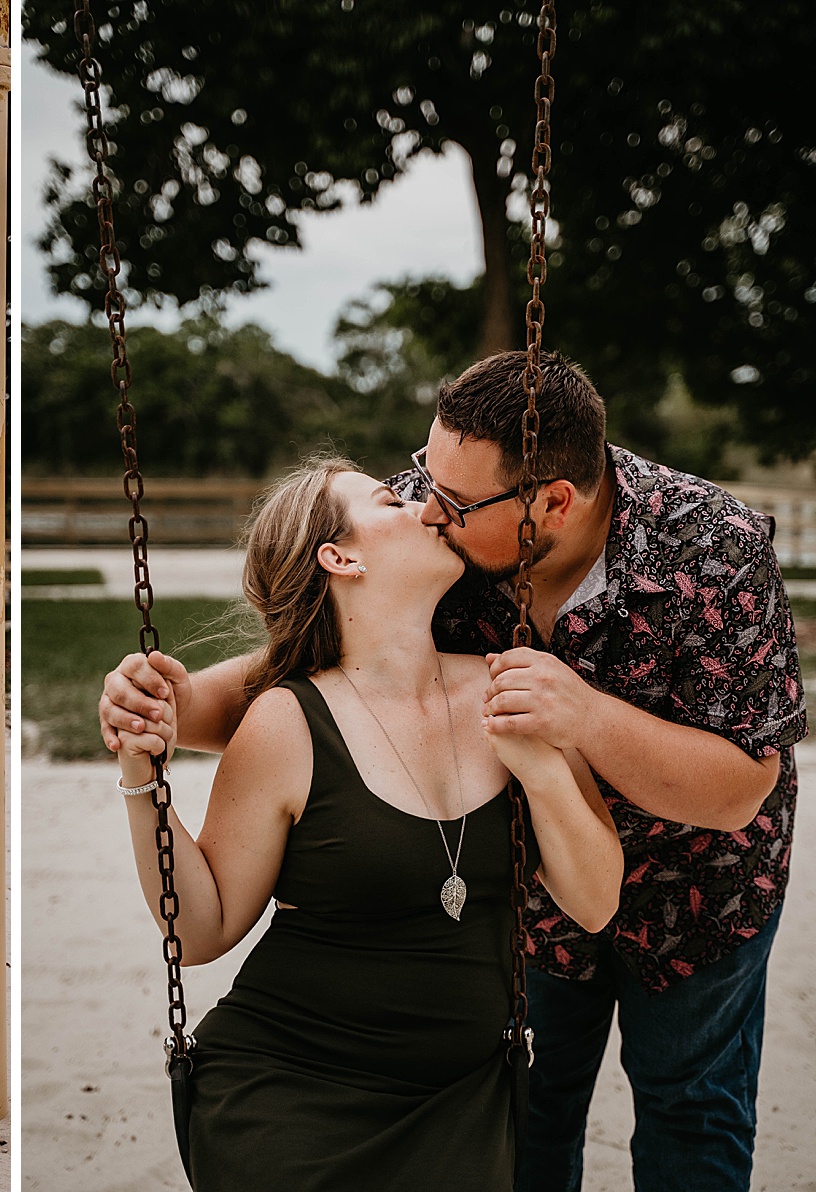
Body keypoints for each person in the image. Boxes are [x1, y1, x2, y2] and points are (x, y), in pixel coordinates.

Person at [101, 351, 805, 1192]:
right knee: (532, 1119)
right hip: (520, 906)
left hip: (701, 890)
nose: (428, 507)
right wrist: (163, 707)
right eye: (420, 482)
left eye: (451, 503)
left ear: (553, 502)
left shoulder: (714, 547)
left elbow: (740, 789)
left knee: (692, 1115)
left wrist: (578, 721)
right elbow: (305, 666)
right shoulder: (444, 507)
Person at [112, 454, 622, 1190]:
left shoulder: (515, 684)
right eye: (391, 501)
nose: (427, 508)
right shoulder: (288, 721)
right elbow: (203, 931)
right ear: (339, 558)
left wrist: (539, 769)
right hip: (290, 1091)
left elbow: (597, 902)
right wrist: (142, 778)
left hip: (461, 1106)